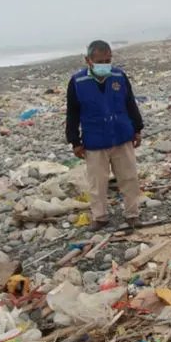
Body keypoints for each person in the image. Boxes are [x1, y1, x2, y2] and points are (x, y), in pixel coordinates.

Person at [65, 40, 145, 229]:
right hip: (95, 139)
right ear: (88, 60)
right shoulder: (77, 82)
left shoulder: (119, 76)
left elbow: (130, 103)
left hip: (121, 135)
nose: (104, 65)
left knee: (129, 178)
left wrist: (137, 129)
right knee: (97, 182)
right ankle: (100, 217)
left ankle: (132, 214)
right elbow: (72, 113)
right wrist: (74, 141)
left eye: (107, 60)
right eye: (100, 61)